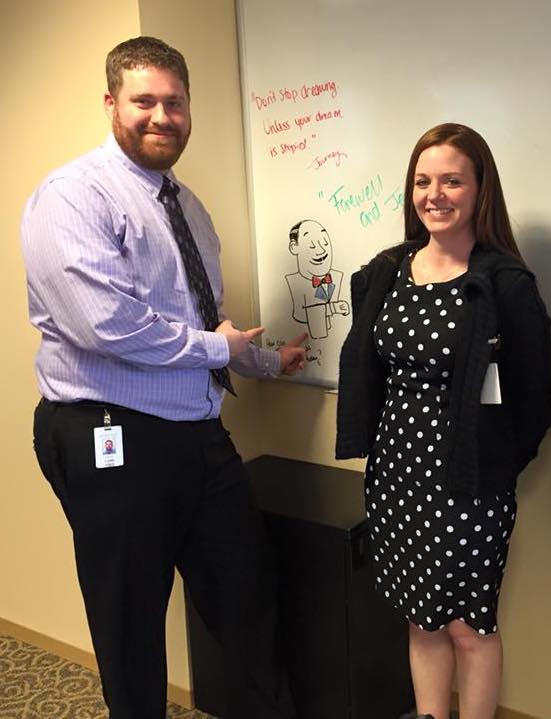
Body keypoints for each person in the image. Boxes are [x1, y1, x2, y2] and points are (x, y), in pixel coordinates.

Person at [21, 36, 305, 719]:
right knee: (130, 621)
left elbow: (204, 322)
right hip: (110, 432)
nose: (161, 116)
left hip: (196, 432)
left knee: (246, 594)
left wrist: (266, 361)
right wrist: (215, 346)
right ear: (111, 103)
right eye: (144, 100)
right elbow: (103, 324)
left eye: (174, 102)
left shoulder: (188, 208)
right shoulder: (73, 195)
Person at [336, 123, 551, 719]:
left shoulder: (504, 284)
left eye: (452, 181)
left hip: (471, 485)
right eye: (422, 181)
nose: (434, 195)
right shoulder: (388, 271)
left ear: (480, 190)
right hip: (396, 479)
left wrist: (496, 465)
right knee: (421, 618)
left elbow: (536, 396)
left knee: (469, 627)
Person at [285, 219, 350, 339]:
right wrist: (333, 308)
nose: (321, 250)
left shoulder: (337, 276)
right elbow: (299, 314)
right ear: (294, 247)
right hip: (308, 340)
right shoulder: (293, 281)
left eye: (325, 243)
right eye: (312, 245)